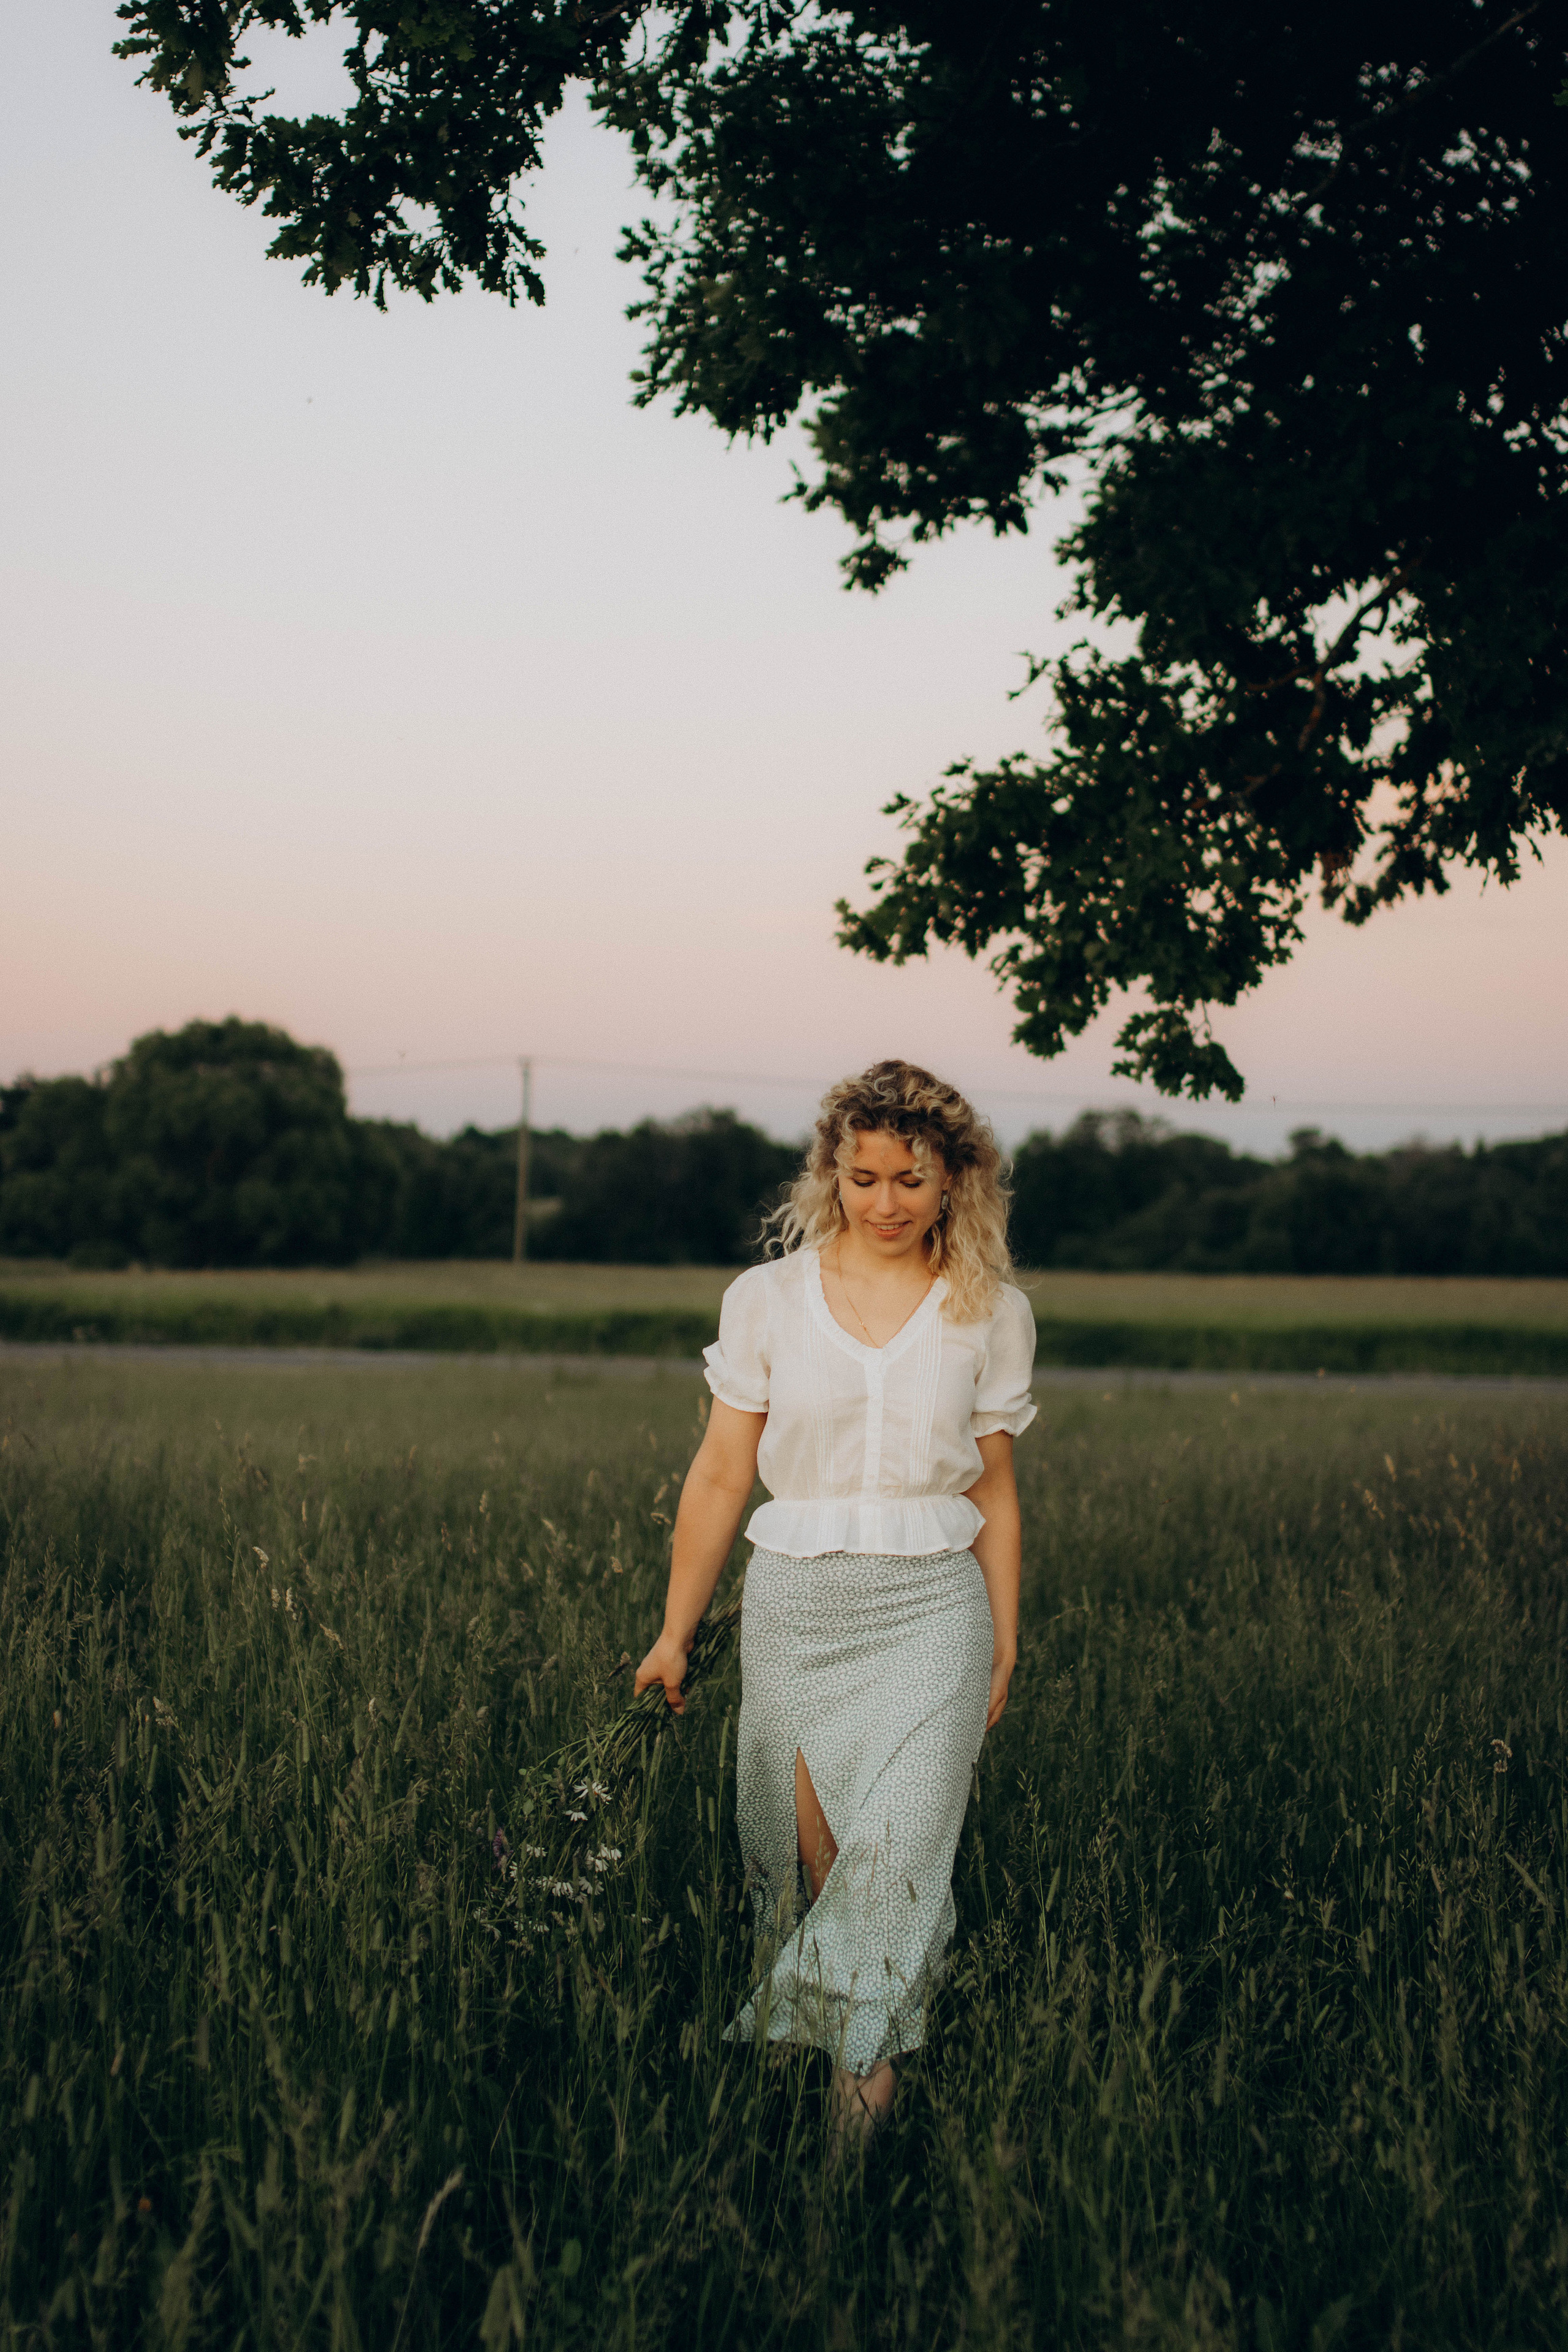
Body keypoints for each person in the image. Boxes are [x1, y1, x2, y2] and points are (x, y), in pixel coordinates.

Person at [635, 1059, 1037, 2145]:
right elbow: (722, 1475)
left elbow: (993, 1487)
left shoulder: (990, 1309)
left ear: (955, 1178)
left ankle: (841, 2200)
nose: (887, 1203)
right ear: (832, 1174)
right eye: (864, 1178)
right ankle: (786, 2148)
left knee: (893, 1886)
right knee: (812, 1886)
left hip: (934, 1619)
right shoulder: (766, 1300)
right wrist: (675, 1634)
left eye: (912, 1179)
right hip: (798, 1620)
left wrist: (1003, 1641)